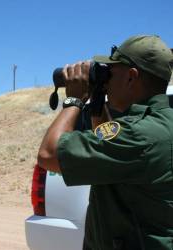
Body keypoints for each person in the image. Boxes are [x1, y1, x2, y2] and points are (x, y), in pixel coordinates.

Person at [37, 35, 173, 250]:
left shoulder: (140, 135)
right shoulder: (157, 125)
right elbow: (105, 139)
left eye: (110, 72)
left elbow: (48, 154)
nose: (106, 79)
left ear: (131, 77)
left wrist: (74, 100)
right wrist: (97, 102)